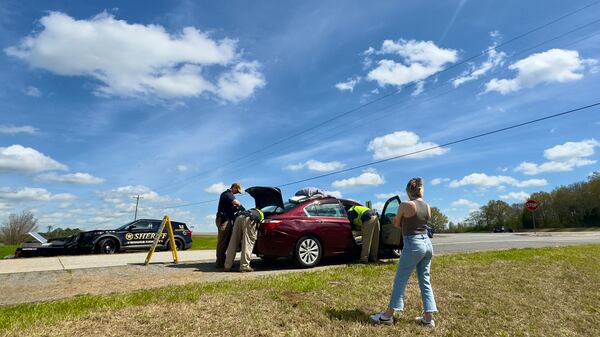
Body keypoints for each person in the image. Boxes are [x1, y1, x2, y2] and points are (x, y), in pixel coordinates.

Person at [370, 177, 437, 327]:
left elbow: (396, 223)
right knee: (425, 281)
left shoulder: (406, 205)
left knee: (400, 280)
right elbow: (424, 223)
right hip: (427, 244)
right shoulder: (427, 206)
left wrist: (401, 222)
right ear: (421, 190)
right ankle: (428, 318)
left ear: (408, 191)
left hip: (413, 244)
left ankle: (388, 316)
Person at [224, 208, 264, 272]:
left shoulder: (252, 209)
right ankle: (244, 266)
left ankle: (227, 265)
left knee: (233, 242)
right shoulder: (261, 214)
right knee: (248, 243)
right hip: (250, 219)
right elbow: (259, 225)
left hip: (239, 217)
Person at [215, 182, 243, 268]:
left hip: (227, 220)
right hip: (223, 220)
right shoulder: (227, 194)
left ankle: (224, 261)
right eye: (237, 191)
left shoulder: (229, 195)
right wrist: (243, 208)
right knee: (223, 241)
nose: (237, 193)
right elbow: (236, 203)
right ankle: (220, 262)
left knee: (226, 241)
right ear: (234, 187)